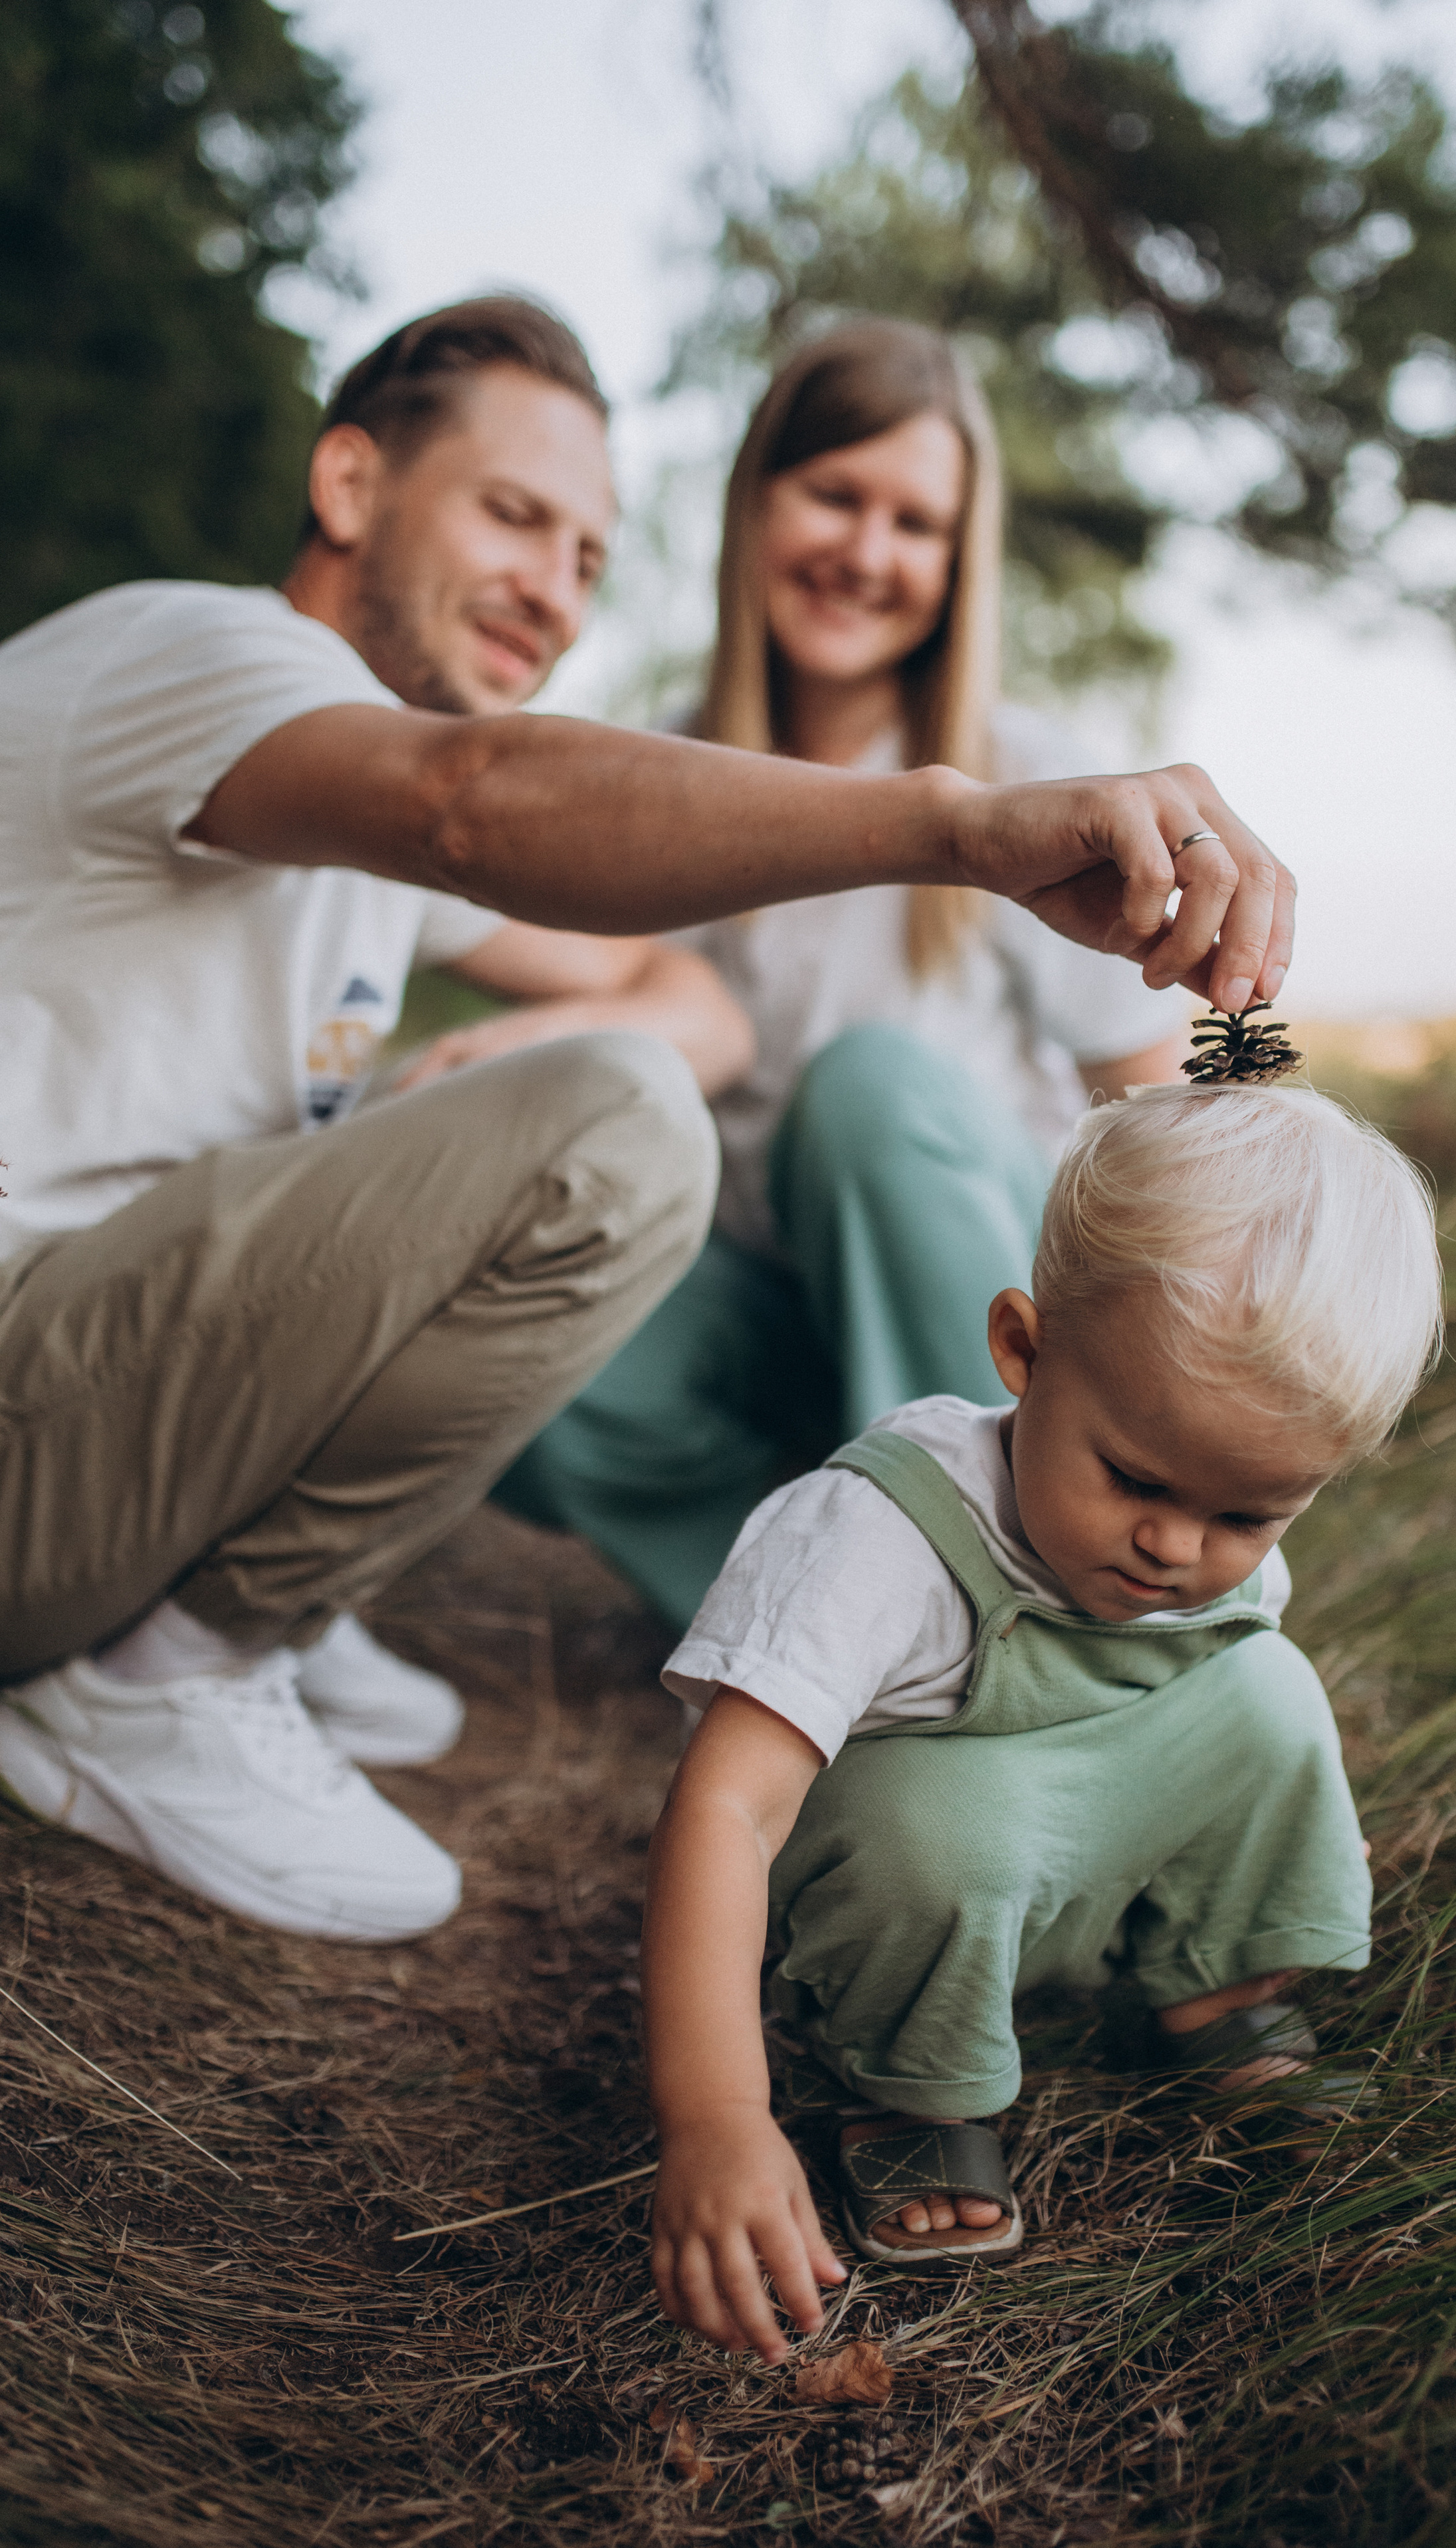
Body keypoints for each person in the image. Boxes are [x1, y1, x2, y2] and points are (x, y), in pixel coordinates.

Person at [0, 295, 1295, 1944]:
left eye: (586, 555)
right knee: (591, 1155)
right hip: (735, 1354)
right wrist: (636, 1015)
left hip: (995, 1357)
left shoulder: (1004, 770)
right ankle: (808, 1623)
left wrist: (1263, 1268)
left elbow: (1181, 1064)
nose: (551, 585)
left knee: (855, 1097)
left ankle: (1023, 1631)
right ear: (346, 485)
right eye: (512, 516)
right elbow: (500, 828)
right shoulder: (278, 679)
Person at [641, 1081, 1444, 2363]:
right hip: (916, 1880)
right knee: (933, 1825)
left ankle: (1212, 1989)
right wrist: (716, 2116)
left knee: (1269, 1689)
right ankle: (908, 2086)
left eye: (1249, 1517)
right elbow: (727, 1804)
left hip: (1073, 1855)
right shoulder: (878, 1537)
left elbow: (1209, 1720)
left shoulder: (1198, 1519)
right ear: (1024, 1347)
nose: (1177, 1544)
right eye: (1134, 1477)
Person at [494, 320, 1199, 1628]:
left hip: (985, 1323)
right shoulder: (658, 773)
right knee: (513, 1311)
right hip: (759, 1318)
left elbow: (1154, 1125)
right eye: (832, 495)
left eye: (914, 523)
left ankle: (992, 1602)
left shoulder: (1031, 784)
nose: (866, 554)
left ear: (955, 559)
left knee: (864, 1091)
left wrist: (1169, 1429)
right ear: (755, 500)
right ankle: (800, 1630)